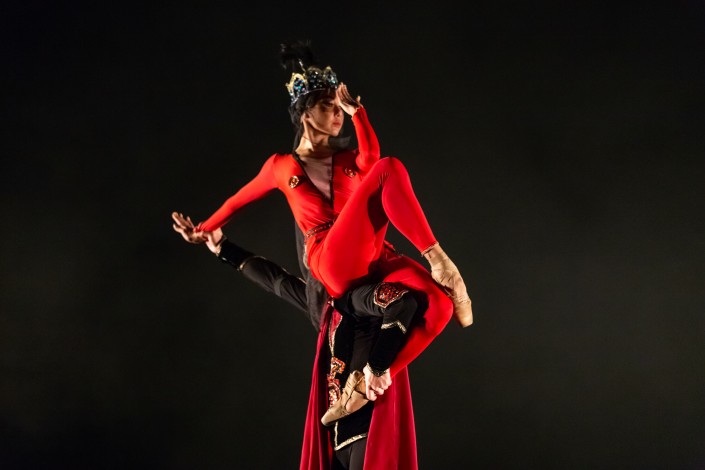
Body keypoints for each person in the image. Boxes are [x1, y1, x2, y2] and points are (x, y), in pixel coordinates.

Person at [171, 215, 423, 469]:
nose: (309, 253)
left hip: (369, 433)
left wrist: (377, 367)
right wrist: (221, 246)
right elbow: (276, 280)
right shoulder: (324, 307)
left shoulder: (359, 296)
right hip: (337, 440)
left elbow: (402, 303)